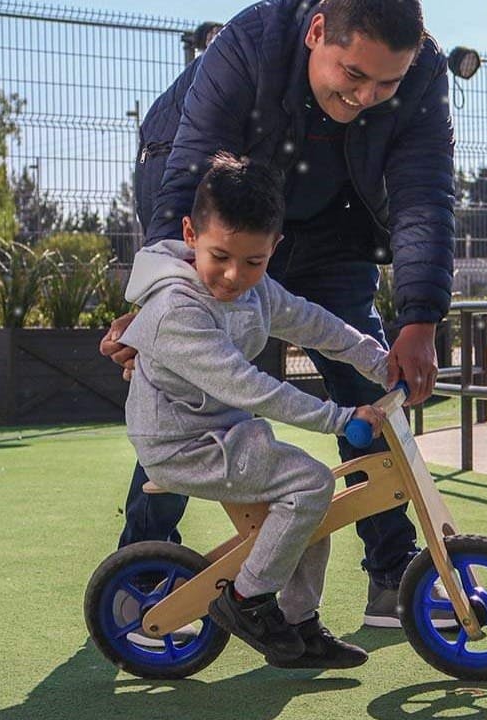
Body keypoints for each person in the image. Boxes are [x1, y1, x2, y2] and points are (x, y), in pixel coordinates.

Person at [100, 0, 455, 627]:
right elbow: (189, 172)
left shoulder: (424, 69)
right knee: (188, 390)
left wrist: (421, 318)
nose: (366, 97)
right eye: (353, 74)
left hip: (333, 225)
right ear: (317, 31)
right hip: (227, 226)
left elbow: (424, 193)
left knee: (367, 385)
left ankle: (392, 575)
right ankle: (146, 572)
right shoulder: (250, 45)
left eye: (386, 84)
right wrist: (160, 296)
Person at [123, 152, 388, 668]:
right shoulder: (176, 309)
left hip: (225, 431)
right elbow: (249, 387)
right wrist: (340, 418)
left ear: (274, 249)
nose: (232, 276)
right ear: (190, 234)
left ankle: (297, 621)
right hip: (180, 444)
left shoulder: (257, 290)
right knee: (310, 484)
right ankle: (245, 601)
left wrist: (378, 361)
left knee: (310, 506)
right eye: (220, 256)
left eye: (253, 262)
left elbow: (312, 322)